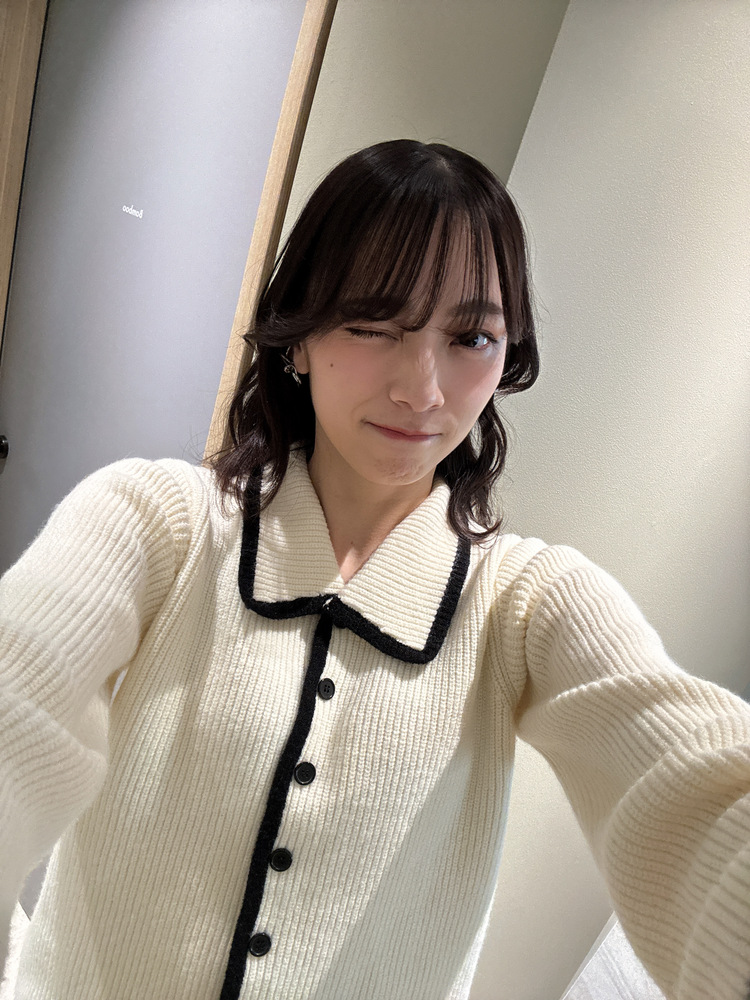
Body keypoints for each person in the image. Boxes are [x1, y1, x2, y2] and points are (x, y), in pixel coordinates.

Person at [0, 139, 748, 1000]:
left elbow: (692, 785)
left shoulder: (525, 606)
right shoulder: (157, 522)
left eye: (470, 336)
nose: (422, 390)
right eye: (371, 324)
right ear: (299, 338)